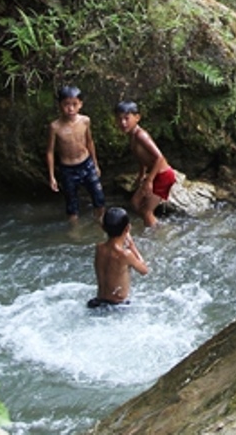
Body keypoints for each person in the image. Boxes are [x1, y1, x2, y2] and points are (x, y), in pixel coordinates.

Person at [47, 85, 105, 223]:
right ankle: (75, 232)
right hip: (68, 169)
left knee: (99, 198)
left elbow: (90, 142)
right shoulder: (55, 127)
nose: (70, 108)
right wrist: (52, 177)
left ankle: (100, 224)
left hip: (87, 164)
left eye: (74, 104)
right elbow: (50, 151)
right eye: (66, 104)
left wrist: (95, 164)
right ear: (60, 105)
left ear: (80, 105)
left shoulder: (85, 121)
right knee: (71, 205)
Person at [115, 101, 176, 228]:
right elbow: (141, 157)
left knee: (146, 211)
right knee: (135, 203)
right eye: (119, 119)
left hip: (163, 175)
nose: (123, 123)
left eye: (127, 118)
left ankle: (157, 235)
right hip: (155, 174)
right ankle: (155, 225)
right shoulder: (132, 136)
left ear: (137, 118)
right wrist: (141, 174)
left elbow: (159, 157)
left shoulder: (141, 135)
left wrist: (149, 180)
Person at [89, 207, 149, 308]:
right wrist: (132, 246)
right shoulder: (125, 255)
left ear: (103, 227)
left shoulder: (99, 248)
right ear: (127, 229)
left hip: (97, 302)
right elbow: (144, 270)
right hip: (117, 307)